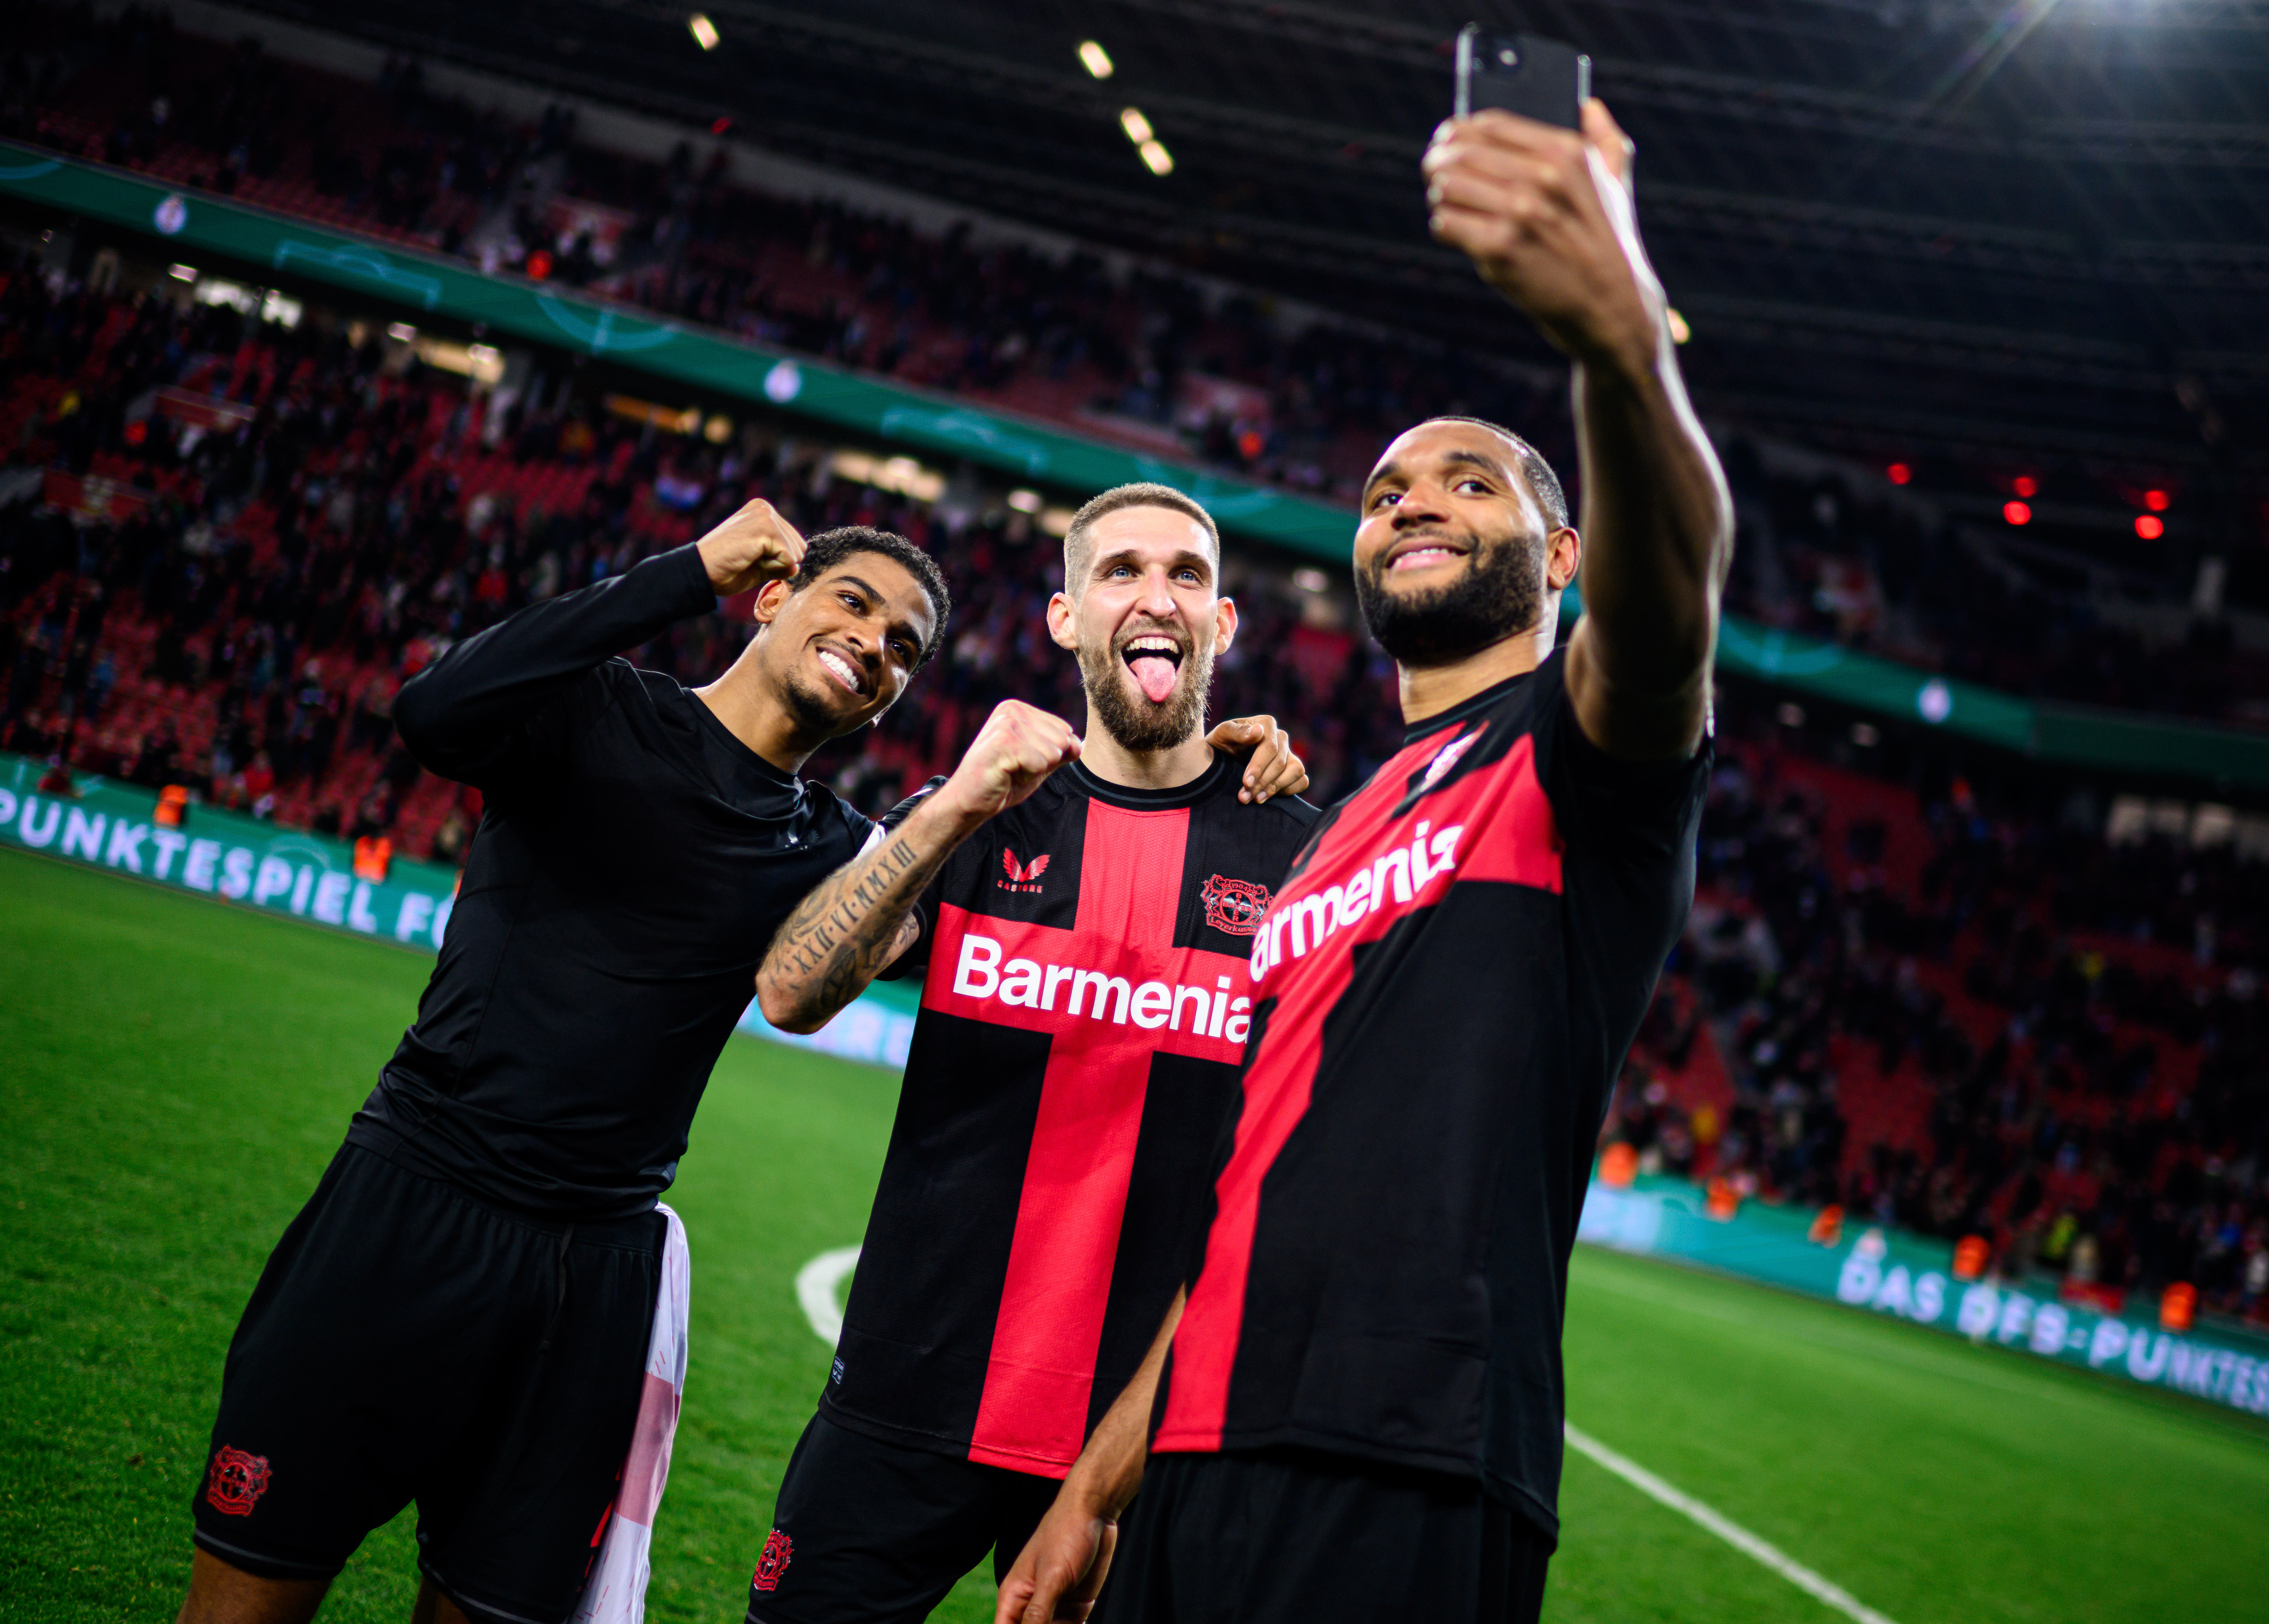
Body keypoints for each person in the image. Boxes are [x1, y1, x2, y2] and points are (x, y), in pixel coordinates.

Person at [177, 496, 1304, 1624]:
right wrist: (687, 571)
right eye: (852, 606)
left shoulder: (828, 839)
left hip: (600, 1275)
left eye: (904, 647)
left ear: (1226, 617)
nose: (873, 646)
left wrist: (1246, 771)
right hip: (414, 1206)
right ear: (773, 598)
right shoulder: (606, 713)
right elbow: (436, 713)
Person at [997, 98, 1732, 1624]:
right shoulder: (1333, 830)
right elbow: (1251, 1193)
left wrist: (1617, 343)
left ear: (1564, 553)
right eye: (1390, 489)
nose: (1414, 502)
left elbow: (1672, 617)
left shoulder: (1573, 754)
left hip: (1407, 1463)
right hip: (1193, 1464)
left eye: (1472, 484)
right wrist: (1094, 1488)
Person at [742, 484, 1321, 1624]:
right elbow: (790, 991)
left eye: (1188, 576)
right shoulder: (981, 812)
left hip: (1138, 1450)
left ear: (1226, 625)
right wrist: (954, 803)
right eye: (1120, 573)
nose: (1156, 597)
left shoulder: (1301, 858)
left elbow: (1297, 1190)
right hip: (910, 1396)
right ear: (1064, 618)